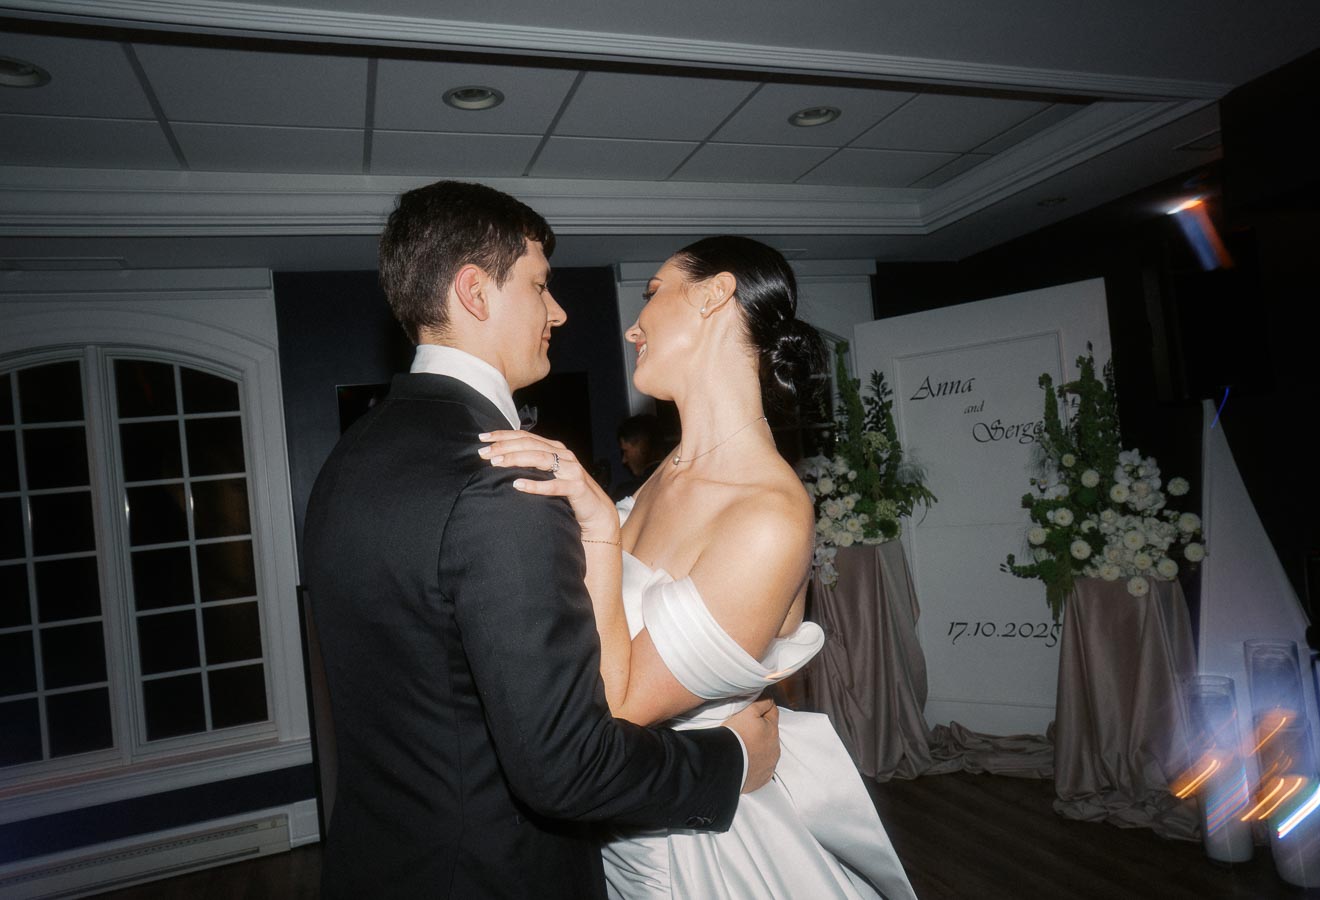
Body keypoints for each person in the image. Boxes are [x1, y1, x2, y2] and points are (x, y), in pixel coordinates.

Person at [304, 184, 781, 899]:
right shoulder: (505, 485)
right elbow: (565, 768)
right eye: (539, 285)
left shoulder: (351, 457)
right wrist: (730, 760)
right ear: (474, 292)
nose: (558, 311)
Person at [483, 235, 917, 898]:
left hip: (697, 850)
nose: (633, 324)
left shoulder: (768, 514)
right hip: (622, 821)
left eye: (653, 293)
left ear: (715, 293)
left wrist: (600, 530)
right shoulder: (661, 479)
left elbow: (621, 707)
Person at [610, 413, 664, 500]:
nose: (624, 460)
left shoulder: (628, 493)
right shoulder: (683, 481)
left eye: (625, 451)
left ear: (643, 446)